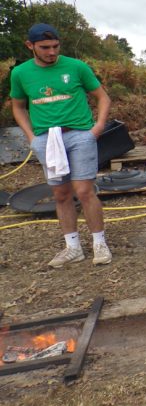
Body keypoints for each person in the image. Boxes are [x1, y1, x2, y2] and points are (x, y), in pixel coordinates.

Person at [10, 23, 113, 267]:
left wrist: (96, 128)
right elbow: (18, 106)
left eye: (55, 46)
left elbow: (102, 97)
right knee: (61, 194)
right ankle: (73, 247)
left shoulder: (76, 67)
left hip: (79, 134)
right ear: (30, 46)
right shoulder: (21, 73)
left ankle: (99, 243)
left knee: (85, 191)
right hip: (47, 140)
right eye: (45, 48)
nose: (52, 52)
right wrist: (32, 138)